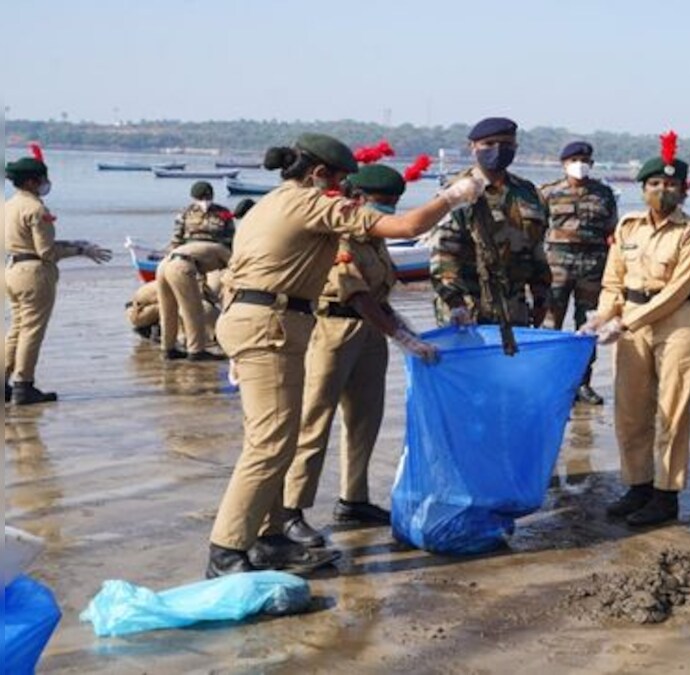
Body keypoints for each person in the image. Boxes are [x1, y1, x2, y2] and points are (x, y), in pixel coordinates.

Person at [205, 132, 483, 578]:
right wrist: (453, 196)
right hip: (271, 327)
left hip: (258, 319)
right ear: (318, 174)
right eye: (336, 179)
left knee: (276, 439)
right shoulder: (309, 203)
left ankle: (271, 537)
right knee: (271, 443)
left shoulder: (269, 204)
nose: (341, 189)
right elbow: (408, 228)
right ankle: (226, 552)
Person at [280, 163, 437, 548]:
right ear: (359, 199)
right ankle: (291, 510)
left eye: (394, 204)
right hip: (334, 330)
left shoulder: (374, 239)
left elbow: (380, 296)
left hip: (370, 333)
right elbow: (358, 294)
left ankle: (354, 499)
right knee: (315, 420)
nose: (387, 211)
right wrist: (399, 334)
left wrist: (402, 330)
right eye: (382, 203)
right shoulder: (339, 234)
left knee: (366, 417)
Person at [584, 141, 690, 526]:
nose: (662, 191)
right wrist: (601, 318)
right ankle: (637, 485)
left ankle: (666, 495)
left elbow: (677, 289)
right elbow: (613, 281)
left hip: (677, 324)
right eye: (654, 183)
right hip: (629, 320)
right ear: (643, 189)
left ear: (684, 190)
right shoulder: (628, 227)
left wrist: (626, 322)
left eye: (671, 185)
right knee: (630, 409)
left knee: (672, 411)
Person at [5, 148, 112, 405]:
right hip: (34, 274)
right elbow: (46, 251)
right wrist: (81, 250)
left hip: (11, 270)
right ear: (32, 181)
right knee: (32, 331)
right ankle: (24, 385)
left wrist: (71, 242)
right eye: (42, 179)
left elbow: (27, 242)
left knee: (16, 330)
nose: (45, 184)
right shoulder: (36, 209)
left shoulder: (8, 205)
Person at [430, 117, 552, 328]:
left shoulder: (528, 193)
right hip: (468, 306)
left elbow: (536, 250)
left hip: (515, 307)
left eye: (506, 144)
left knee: (514, 360)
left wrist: (541, 298)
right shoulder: (457, 191)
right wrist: (456, 304)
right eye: (489, 144)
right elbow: (443, 255)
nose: (497, 149)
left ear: (515, 147)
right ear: (473, 147)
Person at [539, 141, 619, 405]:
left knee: (588, 327)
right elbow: (533, 231)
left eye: (585, 159)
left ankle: (582, 383)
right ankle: (551, 381)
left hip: (592, 268)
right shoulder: (548, 193)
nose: (580, 164)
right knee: (551, 326)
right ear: (563, 163)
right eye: (575, 159)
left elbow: (612, 231)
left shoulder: (604, 194)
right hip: (556, 268)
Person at [156, 239, 231, 361]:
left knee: (167, 310)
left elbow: (203, 282)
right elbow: (236, 273)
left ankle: (168, 349)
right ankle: (196, 351)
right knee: (193, 311)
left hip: (163, 264)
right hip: (181, 266)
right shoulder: (226, 252)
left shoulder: (206, 248)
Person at [170, 181, 235, 249]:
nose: (205, 201)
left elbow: (231, 235)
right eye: (200, 199)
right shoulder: (185, 212)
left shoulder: (224, 212)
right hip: (190, 247)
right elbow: (177, 237)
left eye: (208, 198)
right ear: (194, 198)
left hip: (216, 248)